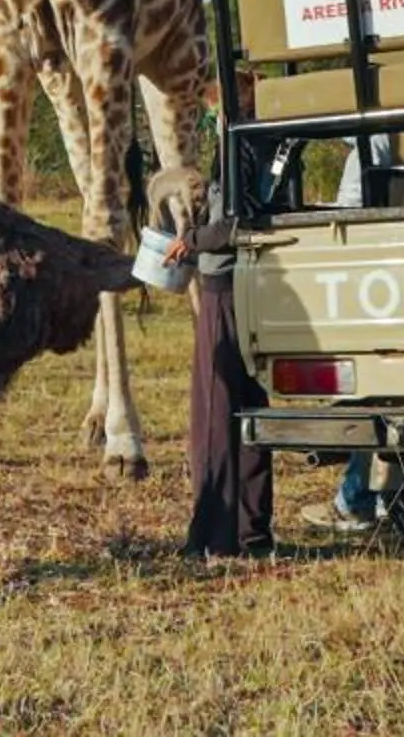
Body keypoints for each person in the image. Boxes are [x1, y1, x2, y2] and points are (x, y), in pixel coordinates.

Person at [166, 175, 273, 560]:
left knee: (213, 415)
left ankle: (212, 536)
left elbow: (232, 226)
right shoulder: (263, 144)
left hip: (223, 291)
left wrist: (190, 241)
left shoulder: (236, 148)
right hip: (253, 286)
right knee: (250, 410)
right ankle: (251, 532)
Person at [302, 134, 396, 535]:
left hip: (369, 269)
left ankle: (357, 500)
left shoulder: (373, 143)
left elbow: (354, 210)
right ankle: (378, 496)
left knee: (370, 391)